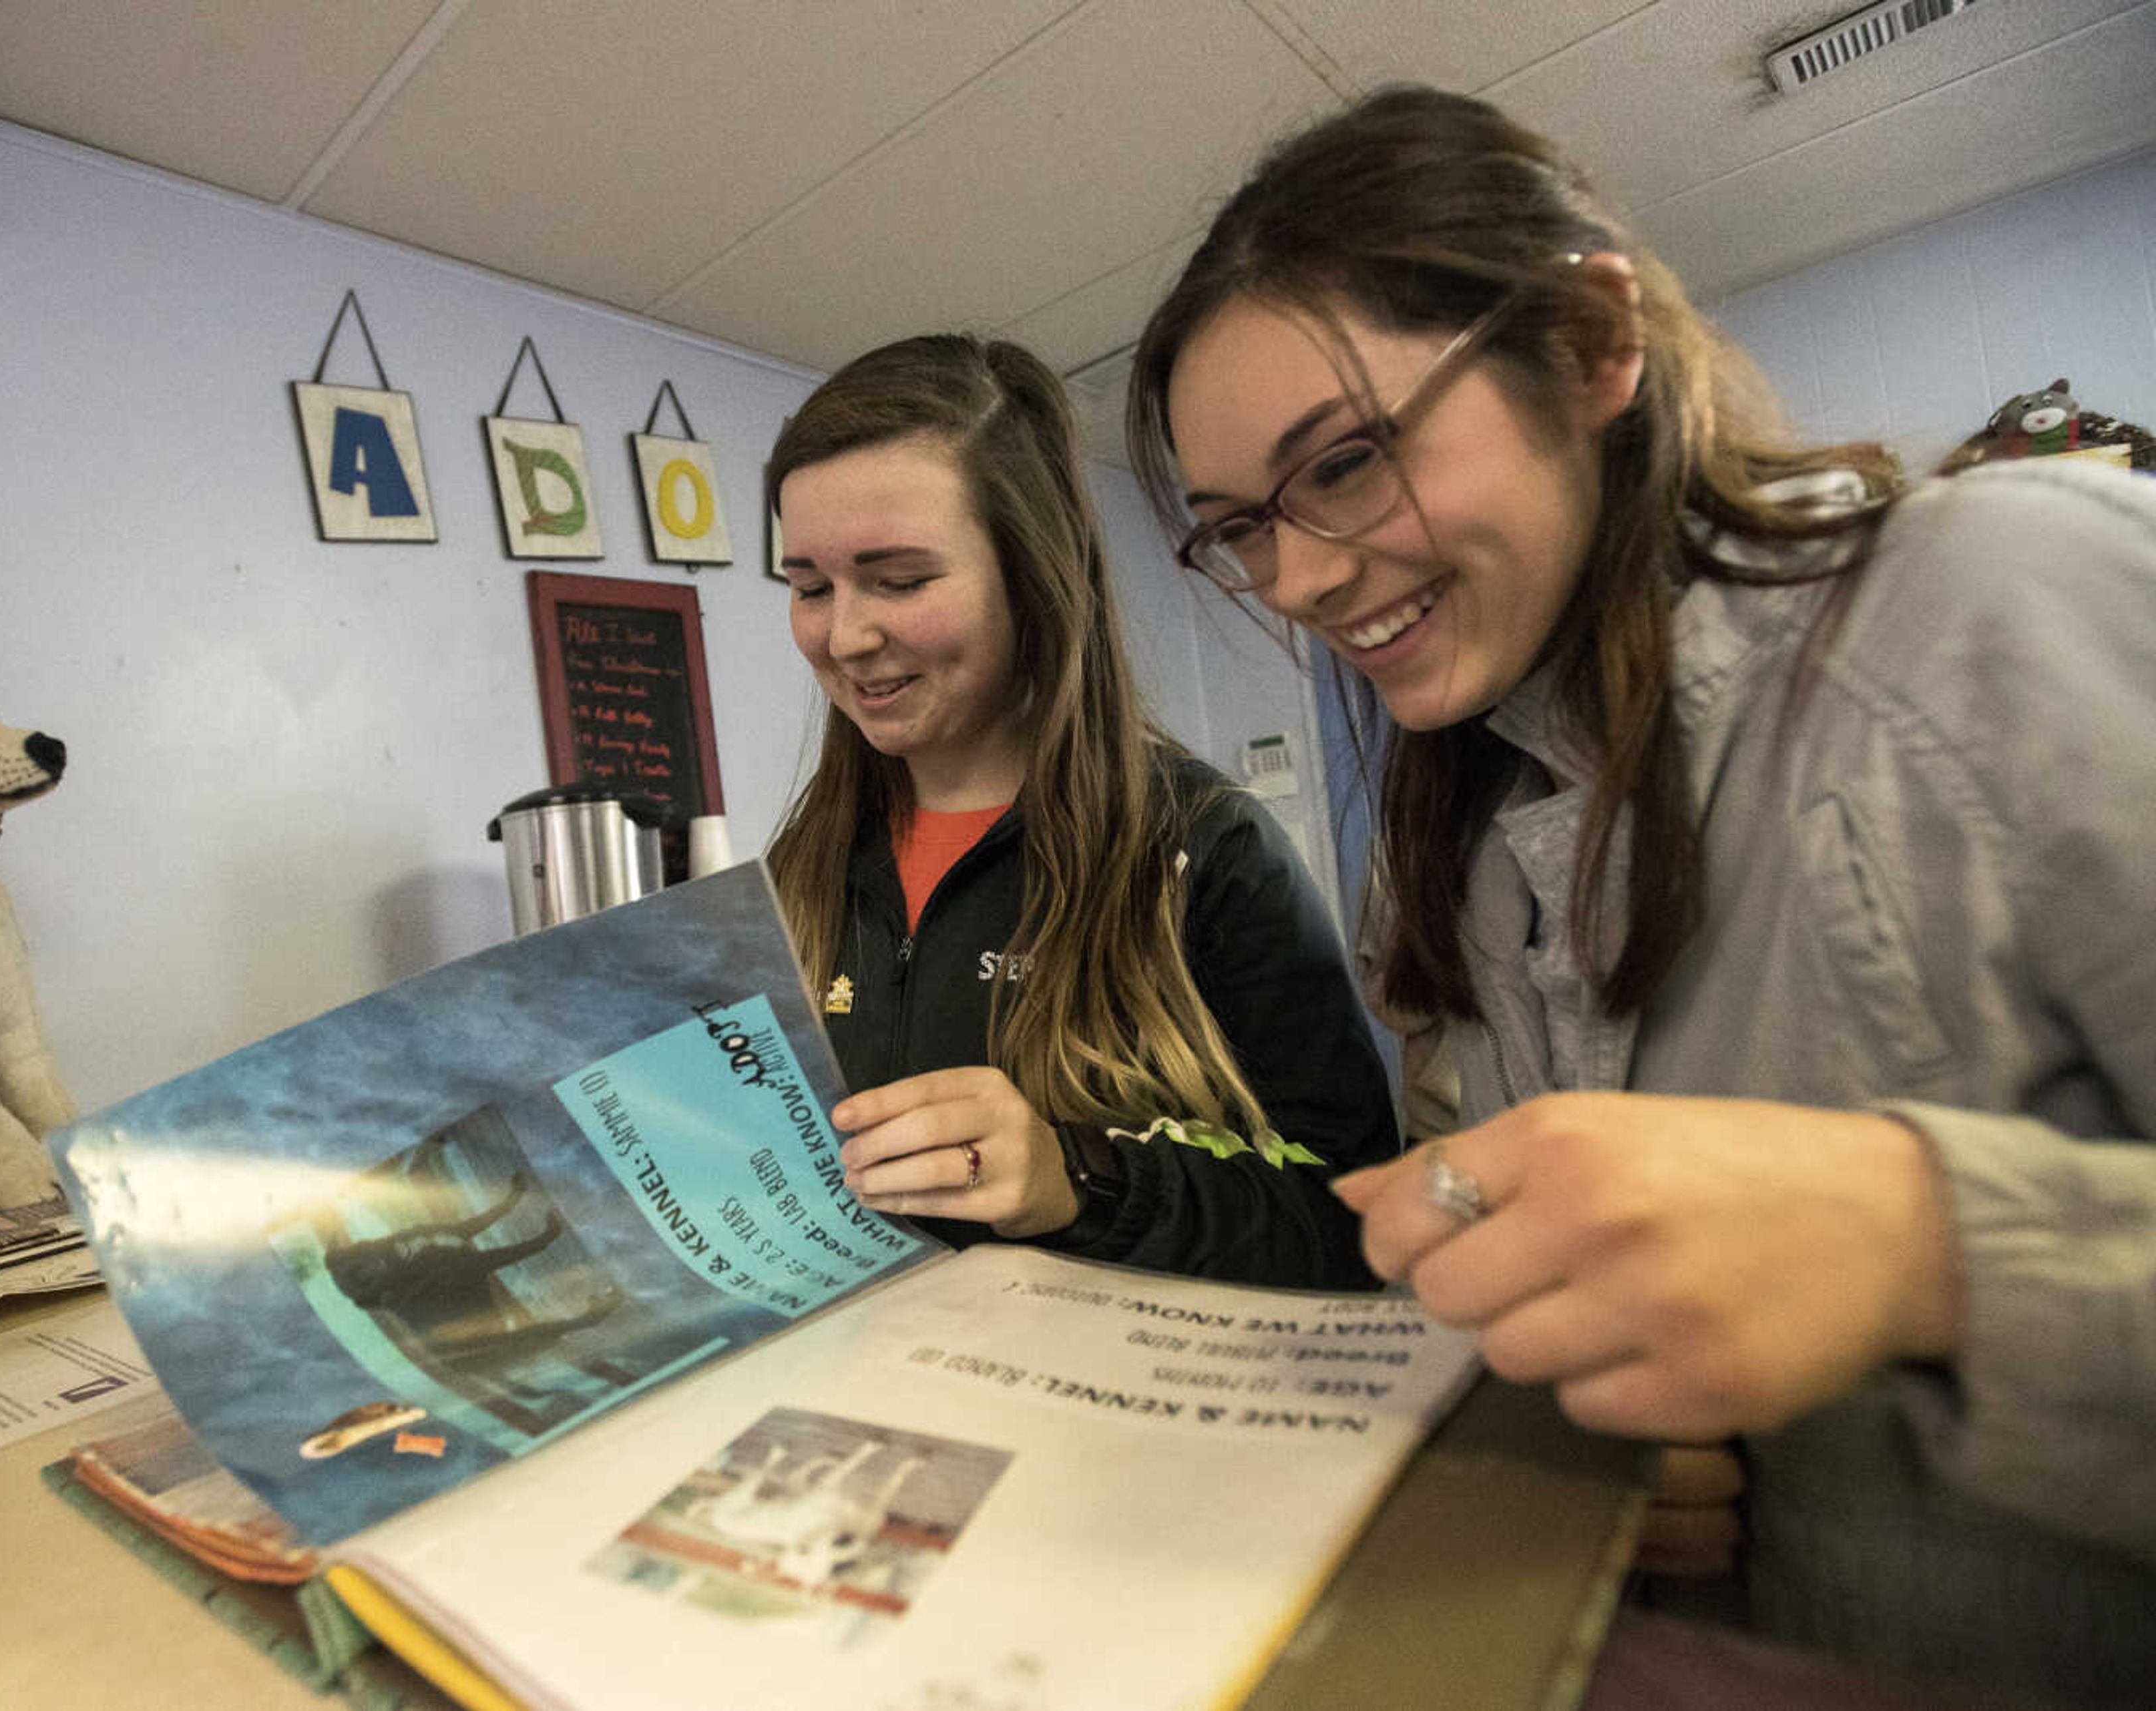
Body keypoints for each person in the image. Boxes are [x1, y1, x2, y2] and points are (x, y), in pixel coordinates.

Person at [1126, 85, 2156, 1702]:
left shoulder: (2013, 597)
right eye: (1242, 532)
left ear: (1594, 345)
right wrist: (1591, 1428)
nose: (1303, 579)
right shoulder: (1491, 848)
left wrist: (1924, 1244)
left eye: (1345, 464)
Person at [764, 332, 1396, 1288]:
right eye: (810, 587)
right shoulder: (801, 871)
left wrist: (1079, 1180)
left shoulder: (1204, 849)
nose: (845, 635)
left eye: (901, 581)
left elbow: (1357, 1225)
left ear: (1034, 574)